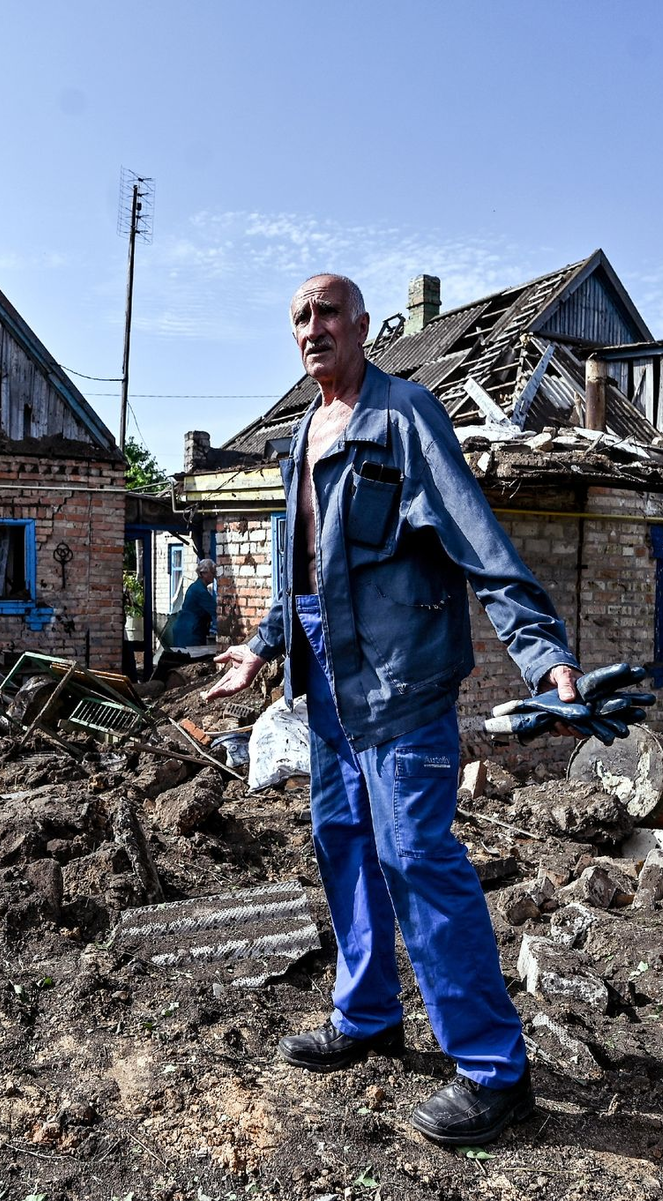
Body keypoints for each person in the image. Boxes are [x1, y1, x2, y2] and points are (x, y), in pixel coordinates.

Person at [206, 274, 582, 1147]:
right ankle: (368, 1012)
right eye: (298, 315)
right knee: (341, 839)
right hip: (328, 690)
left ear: (365, 326)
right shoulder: (303, 432)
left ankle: (496, 1073)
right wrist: (263, 646)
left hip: (402, 687)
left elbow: (480, 540)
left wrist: (544, 652)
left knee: (417, 856)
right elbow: (308, 568)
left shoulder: (404, 414)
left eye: (327, 312)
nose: (312, 327)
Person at [172, 557, 217, 646]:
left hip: (184, 628)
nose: (214, 575)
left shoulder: (195, 587)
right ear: (204, 573)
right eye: (213, 572)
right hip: (190, 631)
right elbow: (216, 610)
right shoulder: (200, 591)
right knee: (193, 658)